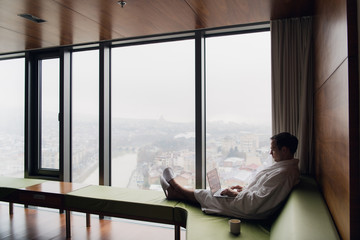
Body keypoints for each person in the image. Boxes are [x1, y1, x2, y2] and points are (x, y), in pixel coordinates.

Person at [160, 132, 300, 220]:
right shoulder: (283, 168)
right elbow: (262, 194)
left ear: (285, 150)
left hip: (249, 211)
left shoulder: (283, 174)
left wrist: (235, 195)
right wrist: (242, 190)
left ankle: (176, 189)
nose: (270, 153)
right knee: (215, 193)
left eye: (273, 149)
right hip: (247, 202)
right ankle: (176, 192)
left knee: (208, 194)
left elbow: (256, 203)